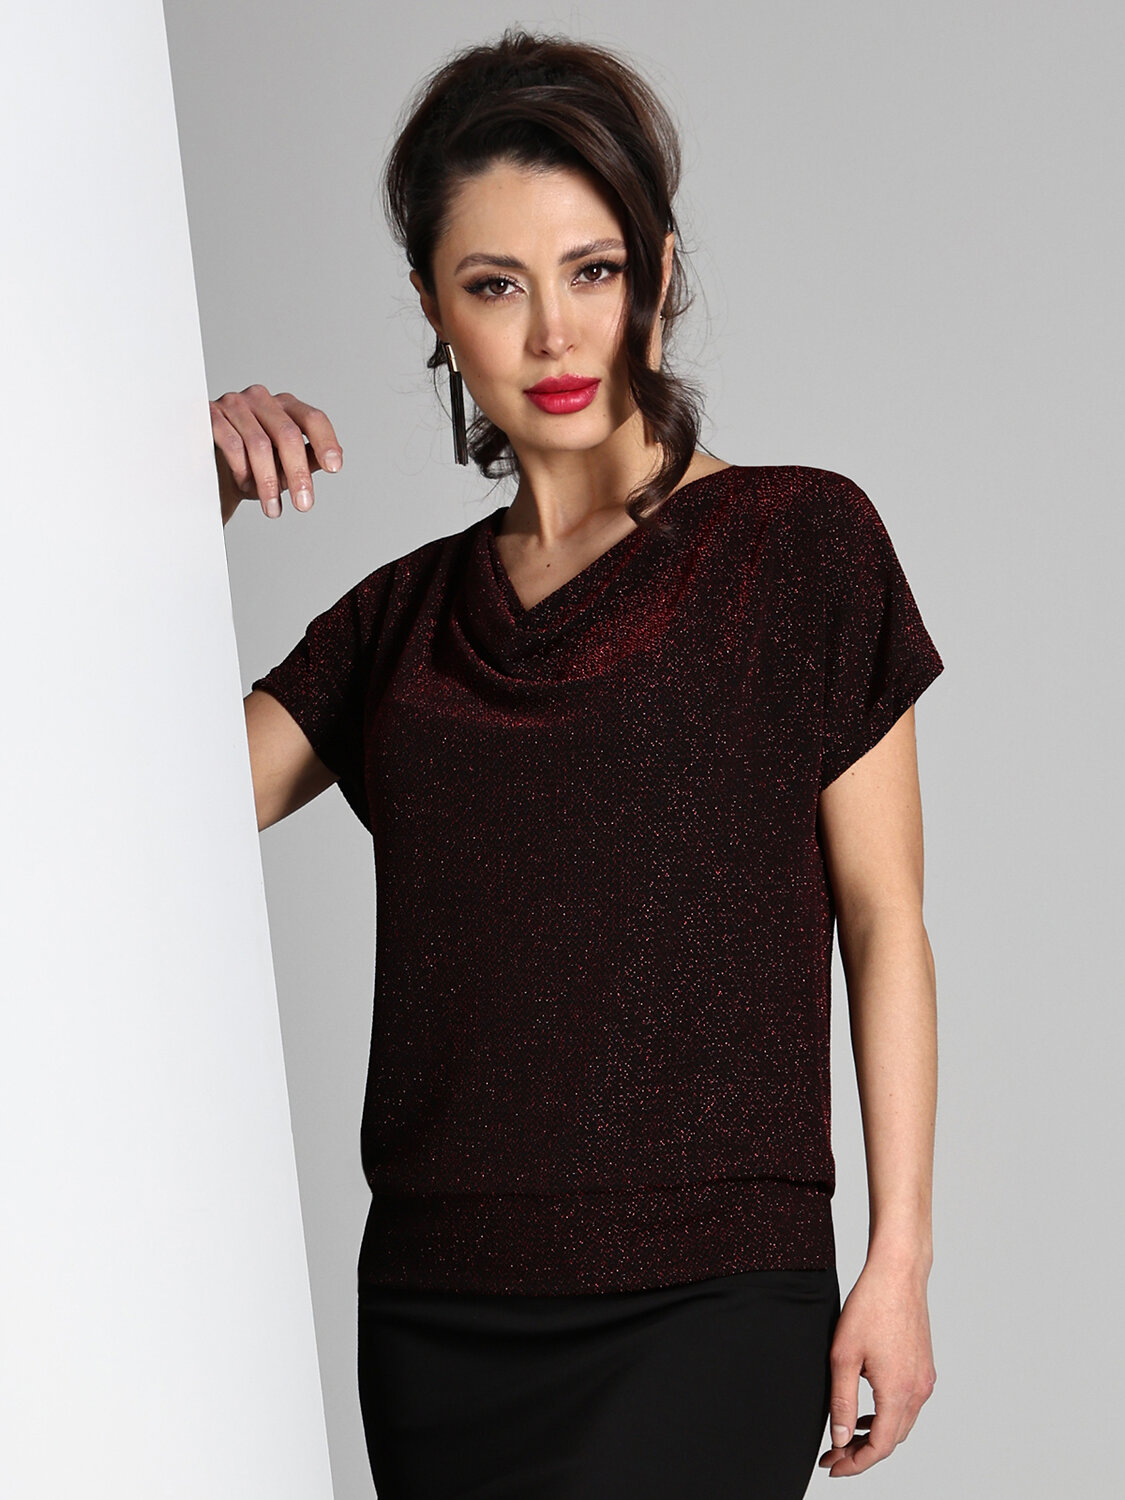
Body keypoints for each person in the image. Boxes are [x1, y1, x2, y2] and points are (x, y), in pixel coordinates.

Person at [212, 28, 941, 1500]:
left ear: (658, 273)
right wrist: (173, 508)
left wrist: (900, 1261)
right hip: (439, 1309)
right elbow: (138, 810)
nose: (552, 334)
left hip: (712, 1291)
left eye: (591, 271)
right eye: (496, 285)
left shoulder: (801, 543)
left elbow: (883, 921)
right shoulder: (400, 620)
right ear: (433, 305)